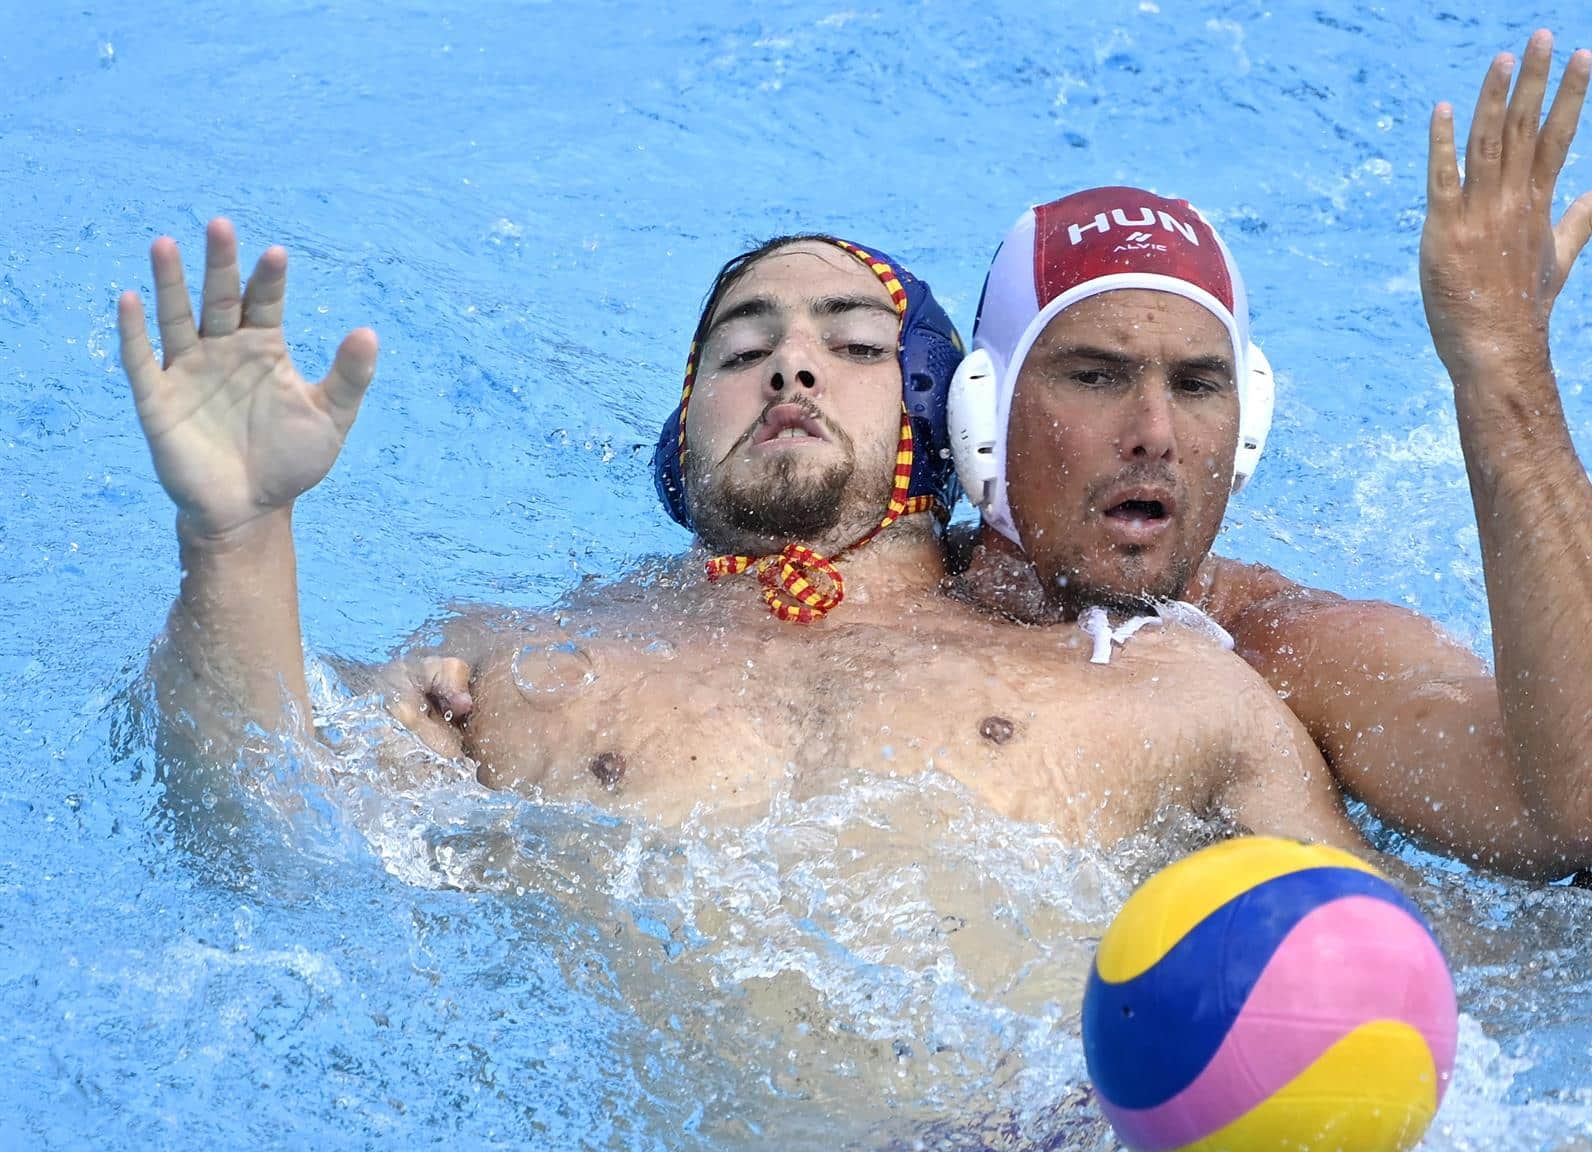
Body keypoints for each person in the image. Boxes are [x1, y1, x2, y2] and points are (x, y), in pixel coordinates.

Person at [120, 228, 1363, 852]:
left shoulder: (1156, 682)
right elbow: (265, 831)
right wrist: (234, 534)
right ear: (686, 423)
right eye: (742, 344)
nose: (792, 359)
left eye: (852, 342)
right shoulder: (505, 667)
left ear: (945, 417)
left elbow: (1385, 979)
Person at [948, 33, 1592, 883]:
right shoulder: (879, 615)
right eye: (1095, 376)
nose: (1154, 429)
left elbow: (1584, 802)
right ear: (982, 411)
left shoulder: (1283, 654)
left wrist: (1502, 368)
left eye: (1197, 386)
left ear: (1248, 423)